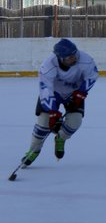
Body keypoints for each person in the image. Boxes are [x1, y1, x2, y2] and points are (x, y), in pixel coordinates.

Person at [20, 39, 99, 167]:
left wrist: (81, 93)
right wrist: (52, 111)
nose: (74, 58)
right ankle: (33, 150)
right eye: (69, 57)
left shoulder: (86, 59)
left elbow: (92, 75)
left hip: (74, 93)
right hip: (54, 93)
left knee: (75, 122)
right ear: (60, 58)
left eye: (75, 54)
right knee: (43, 124)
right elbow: (46, 89)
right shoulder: (48, 65)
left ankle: (60, 138)